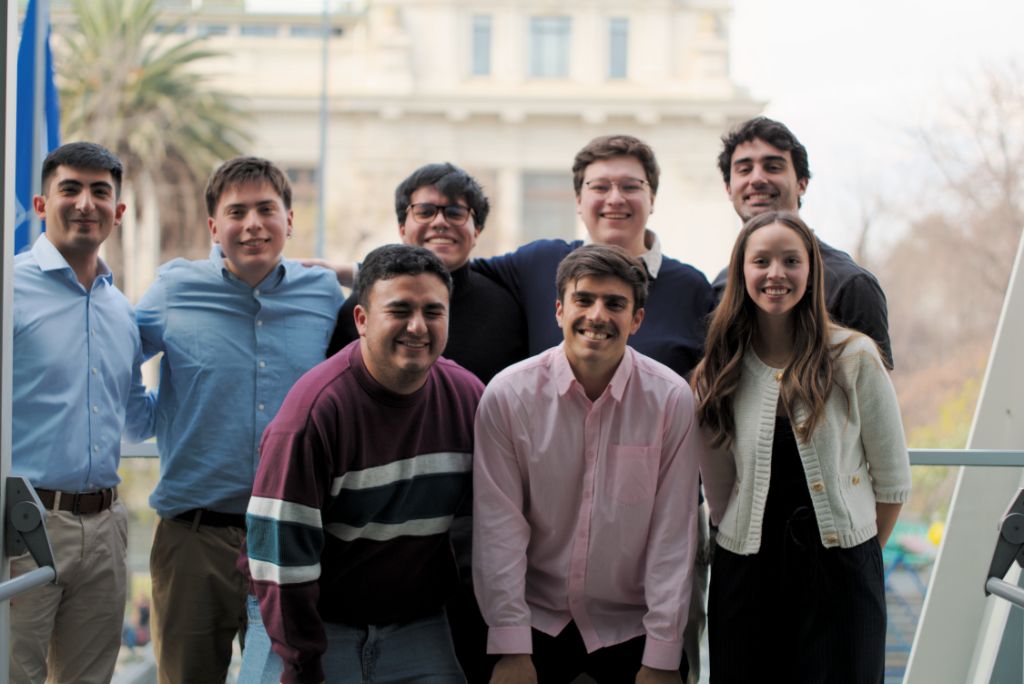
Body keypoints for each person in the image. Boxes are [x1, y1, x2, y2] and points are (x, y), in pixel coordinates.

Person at [136, 156, 343, 684]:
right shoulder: (173, 290)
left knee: (286, 677)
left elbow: (393, 289)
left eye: (266, 209)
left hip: (290, 539)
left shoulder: (323, 293)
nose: (253, 224)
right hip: (193, 539)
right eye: (237, 212)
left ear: (289, 220)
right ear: (214, 227)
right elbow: (114, 362)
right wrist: (146, 420)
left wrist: (344, 270)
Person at [240, 244, 484, 684]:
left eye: (433, 311)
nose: (417, 326)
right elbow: (280, 563)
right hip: (306, 617)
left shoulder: (468, 399)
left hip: (416, 623)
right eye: (399, 310)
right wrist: (301, 665)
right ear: (361, 319)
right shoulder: (314, 414)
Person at [692, 211, 911, 683]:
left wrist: (855, 554)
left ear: (811, 271)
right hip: (745, 576)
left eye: (791, 261)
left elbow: (893, 482)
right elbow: (720, 492)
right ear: (741, 271)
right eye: (761, 261)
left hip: (844, 577)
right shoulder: (720, 368)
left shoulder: (855, 357)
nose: (776, 273)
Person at [474, 245, 701, 684]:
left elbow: (673, 536)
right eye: (584, 300)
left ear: (637, 319)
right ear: (559, 310)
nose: (597, 315)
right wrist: (510, 645)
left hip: (632, 622)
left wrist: (662, 654)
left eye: (615, 303)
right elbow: (498, 530)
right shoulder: (508, 395)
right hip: (534, 617)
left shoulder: (671, 399)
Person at [10, 142, 153, 684]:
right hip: (21, 525)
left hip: (106, 529)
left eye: (100, 192)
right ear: (41, 204)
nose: (85, 203)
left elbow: (137, 418)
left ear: (118, 211)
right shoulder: (9, 289)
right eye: (69, 189)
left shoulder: (122, 311)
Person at [714, 116, 894, 368]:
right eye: (744, 170)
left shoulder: (850, 285)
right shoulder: (721, 287)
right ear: (728, 188)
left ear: (802, 184)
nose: (757, 179)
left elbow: (871, 387)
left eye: (773, 167)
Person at [328, 162, 526, 384]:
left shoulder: (507, 310)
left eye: (455, 213)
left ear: (477, 231)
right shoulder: (365, 306)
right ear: (402, 229)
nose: (440, 222)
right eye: (424, 212)